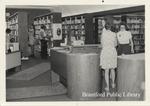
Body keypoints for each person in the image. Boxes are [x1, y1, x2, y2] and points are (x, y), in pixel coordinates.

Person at [100, 23, 117, 92]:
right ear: (110, 28)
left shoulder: (103, 34)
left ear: (105, 28)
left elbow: (102, 44)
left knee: (106, 70)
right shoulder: (114, 34)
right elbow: (115, 44)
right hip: (112, 51)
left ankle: (107, 86)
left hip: (105, 52)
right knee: (112, 68)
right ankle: (113, 83)